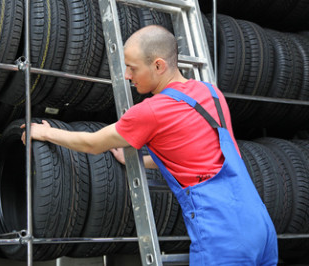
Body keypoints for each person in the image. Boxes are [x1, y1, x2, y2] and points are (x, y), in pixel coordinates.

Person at [21, 25, 278, 265]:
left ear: (158, 65)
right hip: (260, 225)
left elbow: (92, 143)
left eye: (132, 68)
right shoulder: (211, 92)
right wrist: (135, 160)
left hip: (223, 236)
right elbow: (189, 150)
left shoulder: (151, 112)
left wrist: (45, 133)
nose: (127, 75)